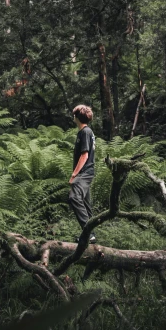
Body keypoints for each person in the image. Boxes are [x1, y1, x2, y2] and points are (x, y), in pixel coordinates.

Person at [69, 104, 96, 243]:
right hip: (87, 172)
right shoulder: (85, 132)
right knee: (85, 204)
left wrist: (74, 174)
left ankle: (88, 234)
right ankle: (91, 235)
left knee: (74, 197)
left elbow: (84, 155)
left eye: (74, 115)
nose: (73, 117)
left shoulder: (85, 132)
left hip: (84, 173)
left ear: (77, 117)